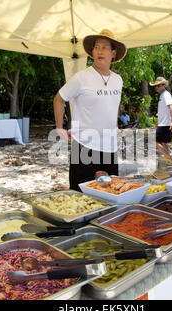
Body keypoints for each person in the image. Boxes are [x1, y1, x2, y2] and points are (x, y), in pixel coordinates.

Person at [53, 29, 126, 191]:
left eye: (105, 47)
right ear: (92, 51)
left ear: (113, 53)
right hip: (84, 146)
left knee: (111, 192)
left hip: (110, 146)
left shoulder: (118, 80)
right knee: (82, 193)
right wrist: (60, 128)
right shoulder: (82, 77)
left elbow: (111, 109)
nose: (100, 51)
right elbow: (59, 99)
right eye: (96, 47)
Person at [149, 77, 172, 158]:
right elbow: (163, 110)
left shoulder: (166, 94)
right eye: (155, 86)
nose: (156, 88)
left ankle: (169, 158)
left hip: (166, 123)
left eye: (158, 86)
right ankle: (169, 157)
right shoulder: (162, 95)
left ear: (163, 85)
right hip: (162, 123)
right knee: (164, 142)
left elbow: (171, 107)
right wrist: (158, 121)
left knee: (155, 141)